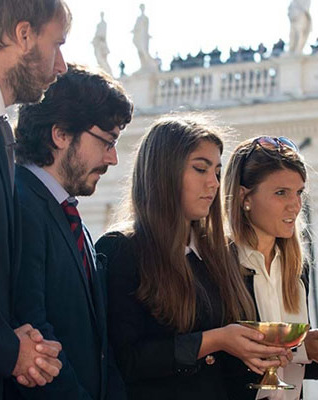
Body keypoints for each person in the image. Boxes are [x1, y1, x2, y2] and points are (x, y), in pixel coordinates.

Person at [95, 116, 289, 399]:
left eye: (218, 172)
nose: (213, 183)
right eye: (201, 169)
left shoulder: (220, 253)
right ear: (163, 172)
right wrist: (216, 340)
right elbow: (126, 360)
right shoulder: (122, 249)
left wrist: (271, 352)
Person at [12, 64, 133, 400]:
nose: (112, 158)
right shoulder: (19, 205)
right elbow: (36, 334)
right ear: (61, 133)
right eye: (107, 141)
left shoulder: (72, 218)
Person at [223, 136, 318, 400]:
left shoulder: (296, 268)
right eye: (281, 193)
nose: (295, 205)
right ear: (244, 197)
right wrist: (303, 347)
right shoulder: (218, 264)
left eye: (299, 192)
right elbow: (219, 363)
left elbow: (294, 369)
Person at [0, 0, 71, 397]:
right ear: (23, 35)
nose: (62, 66)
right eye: (57, 44)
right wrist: (8, 350)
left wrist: (14, 340)